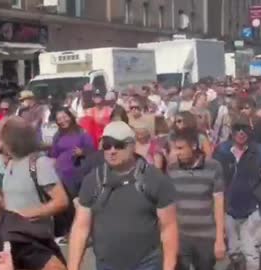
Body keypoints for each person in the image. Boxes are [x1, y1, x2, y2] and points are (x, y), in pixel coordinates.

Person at [68, 121, 178, 270]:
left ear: (132, 145)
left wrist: (169, 267)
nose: (112, 150)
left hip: (146, 264)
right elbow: (81, 227)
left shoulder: (154, 178)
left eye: (119, 145)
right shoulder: (93, 180)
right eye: (107, 144)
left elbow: (169, 227)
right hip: (106, 264)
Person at [213, 117, 261, 270]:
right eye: (237, 128)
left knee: (251, 252)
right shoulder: (221, 151)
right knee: (234, 252)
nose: (241, 132)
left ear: (250, 131)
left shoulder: (258, 150)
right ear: (231, 131)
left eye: (244, 129)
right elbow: (214, 180)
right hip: (229, 209)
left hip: (253, 208)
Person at [0, 117, 69, 237]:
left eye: (2, 139)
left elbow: (61, 201)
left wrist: (29, 214)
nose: (0, 144)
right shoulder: (10, 164)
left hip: (36, 237)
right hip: (12, 236)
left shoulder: (39, 163)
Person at [168, 130, 226, 270]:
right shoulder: (172, 169)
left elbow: (219, 204)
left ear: (193, 146)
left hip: (205, 238)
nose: (177, 153)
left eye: (180, 148)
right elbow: (169, 205)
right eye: (175, 149)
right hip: (181, 238)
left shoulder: (213, 167)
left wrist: (219, 239)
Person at [50, 108, 94, 197]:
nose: (63, 121)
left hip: (78, 175)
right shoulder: (57, 135)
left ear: (70, 116)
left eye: (64, 117)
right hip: (61, 176)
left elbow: (92, 151)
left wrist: (82, 152)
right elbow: (54, 155)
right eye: (59, 119)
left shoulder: (81, 132)